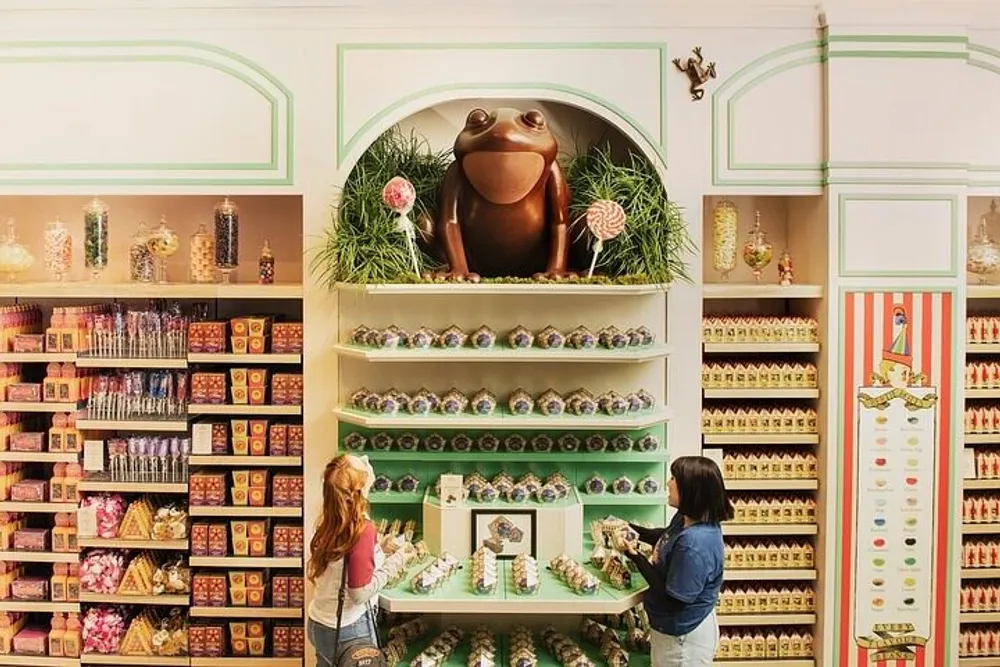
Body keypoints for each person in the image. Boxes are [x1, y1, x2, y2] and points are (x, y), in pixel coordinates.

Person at [623, 456, 733, 667]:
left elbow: (672, 600)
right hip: (672, 632)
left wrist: (635, 556)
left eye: (674, 478)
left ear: (691, 490)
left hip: (684, 641)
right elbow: (666, 537)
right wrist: (633, 530)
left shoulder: (694, 545)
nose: (668, 482)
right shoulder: (688, 518)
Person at [307, 454, 411, 667]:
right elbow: (359, 593)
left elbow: (342, 561)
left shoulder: (327, 522)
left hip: (319, 624)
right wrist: (396, 561)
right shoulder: (362, 531)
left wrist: (379, 549)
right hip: (349, 630)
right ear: (358, 492)